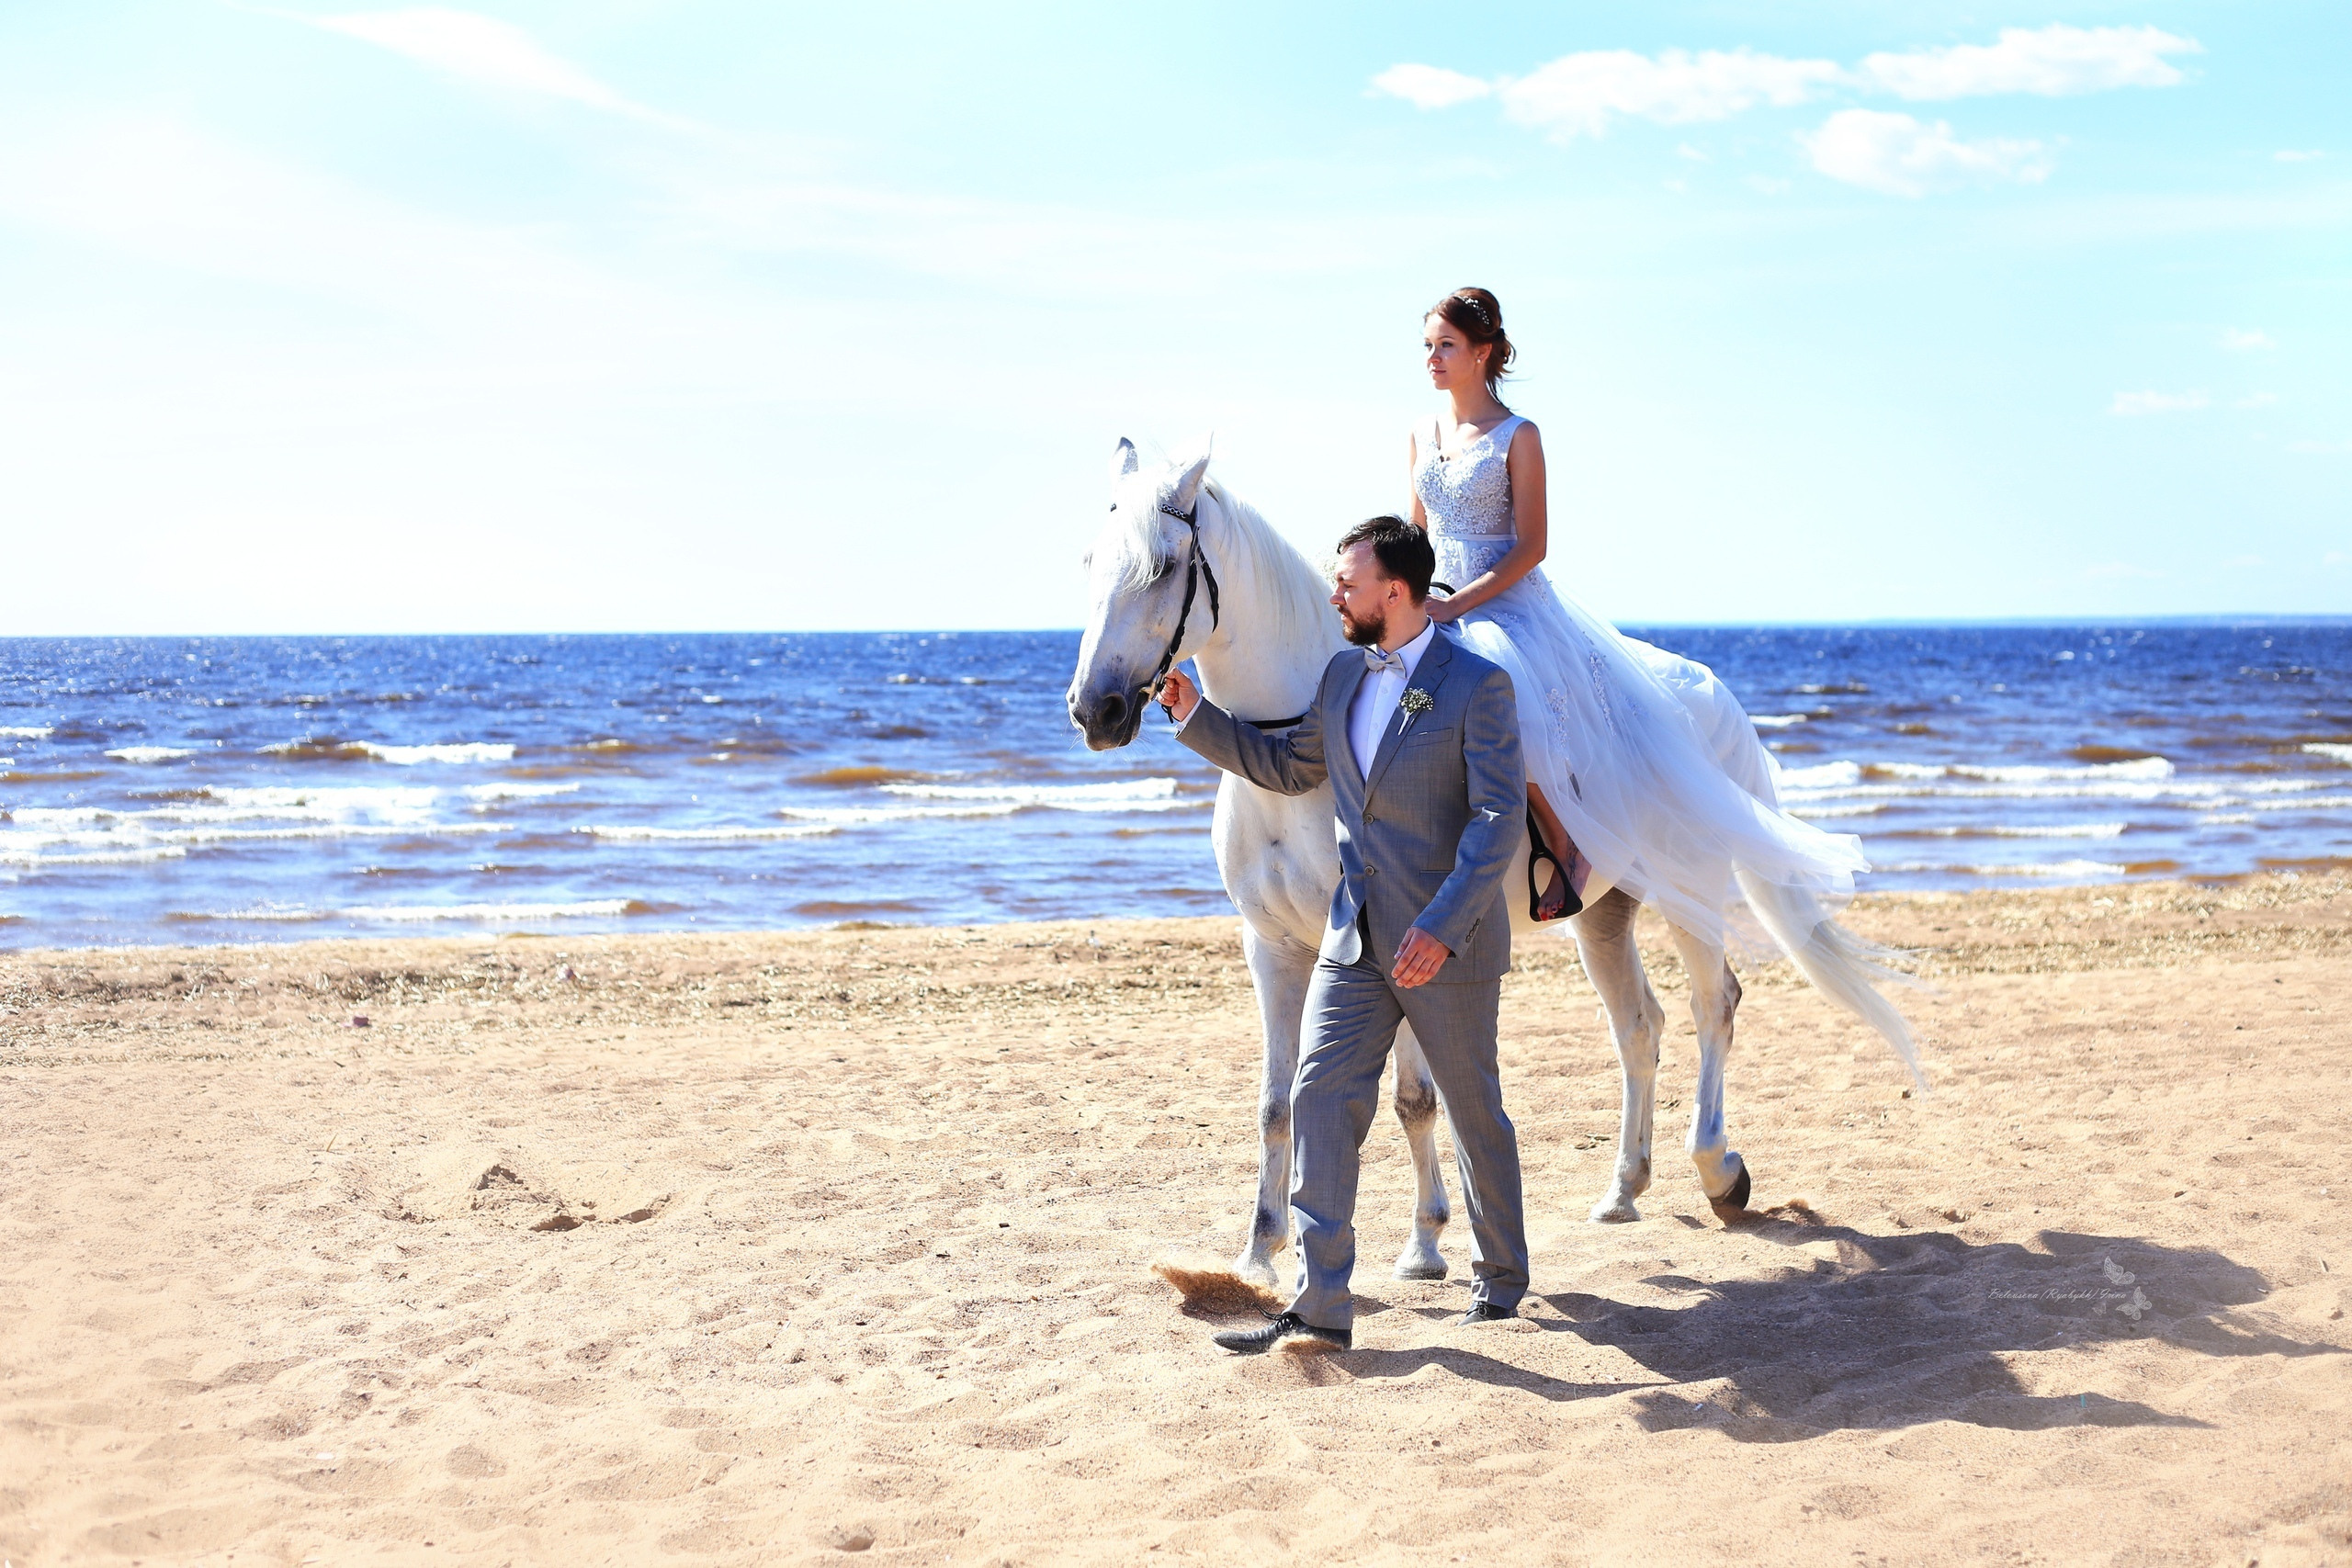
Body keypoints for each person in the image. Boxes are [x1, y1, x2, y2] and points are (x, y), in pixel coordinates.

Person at [1157, 516, 1529, 1352]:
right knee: (1321, 1097)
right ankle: (1322, 1300)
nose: (1334, 596)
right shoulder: (1340, 677)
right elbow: (1289, 765)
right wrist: (1196, 716)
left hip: (1445, 942)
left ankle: (1501, 1281)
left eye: (1348, 584)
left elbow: (1498, 818)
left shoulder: (1478, 685)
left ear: (1394, 592)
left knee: (1475, 1115)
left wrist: (1443, 924)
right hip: (1355, 939)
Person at [1408, 287, 1870, 946]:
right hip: (1433, 593)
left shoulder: (1520, 435)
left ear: (1482, 352)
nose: (1432, 358)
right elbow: (1415, 530)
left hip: (1501, 603)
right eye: (1427, 346)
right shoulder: (1421, 431)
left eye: (1446, 345)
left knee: (1507, 695)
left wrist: (1459, 603)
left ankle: (1563, 843)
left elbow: (1533, 546)